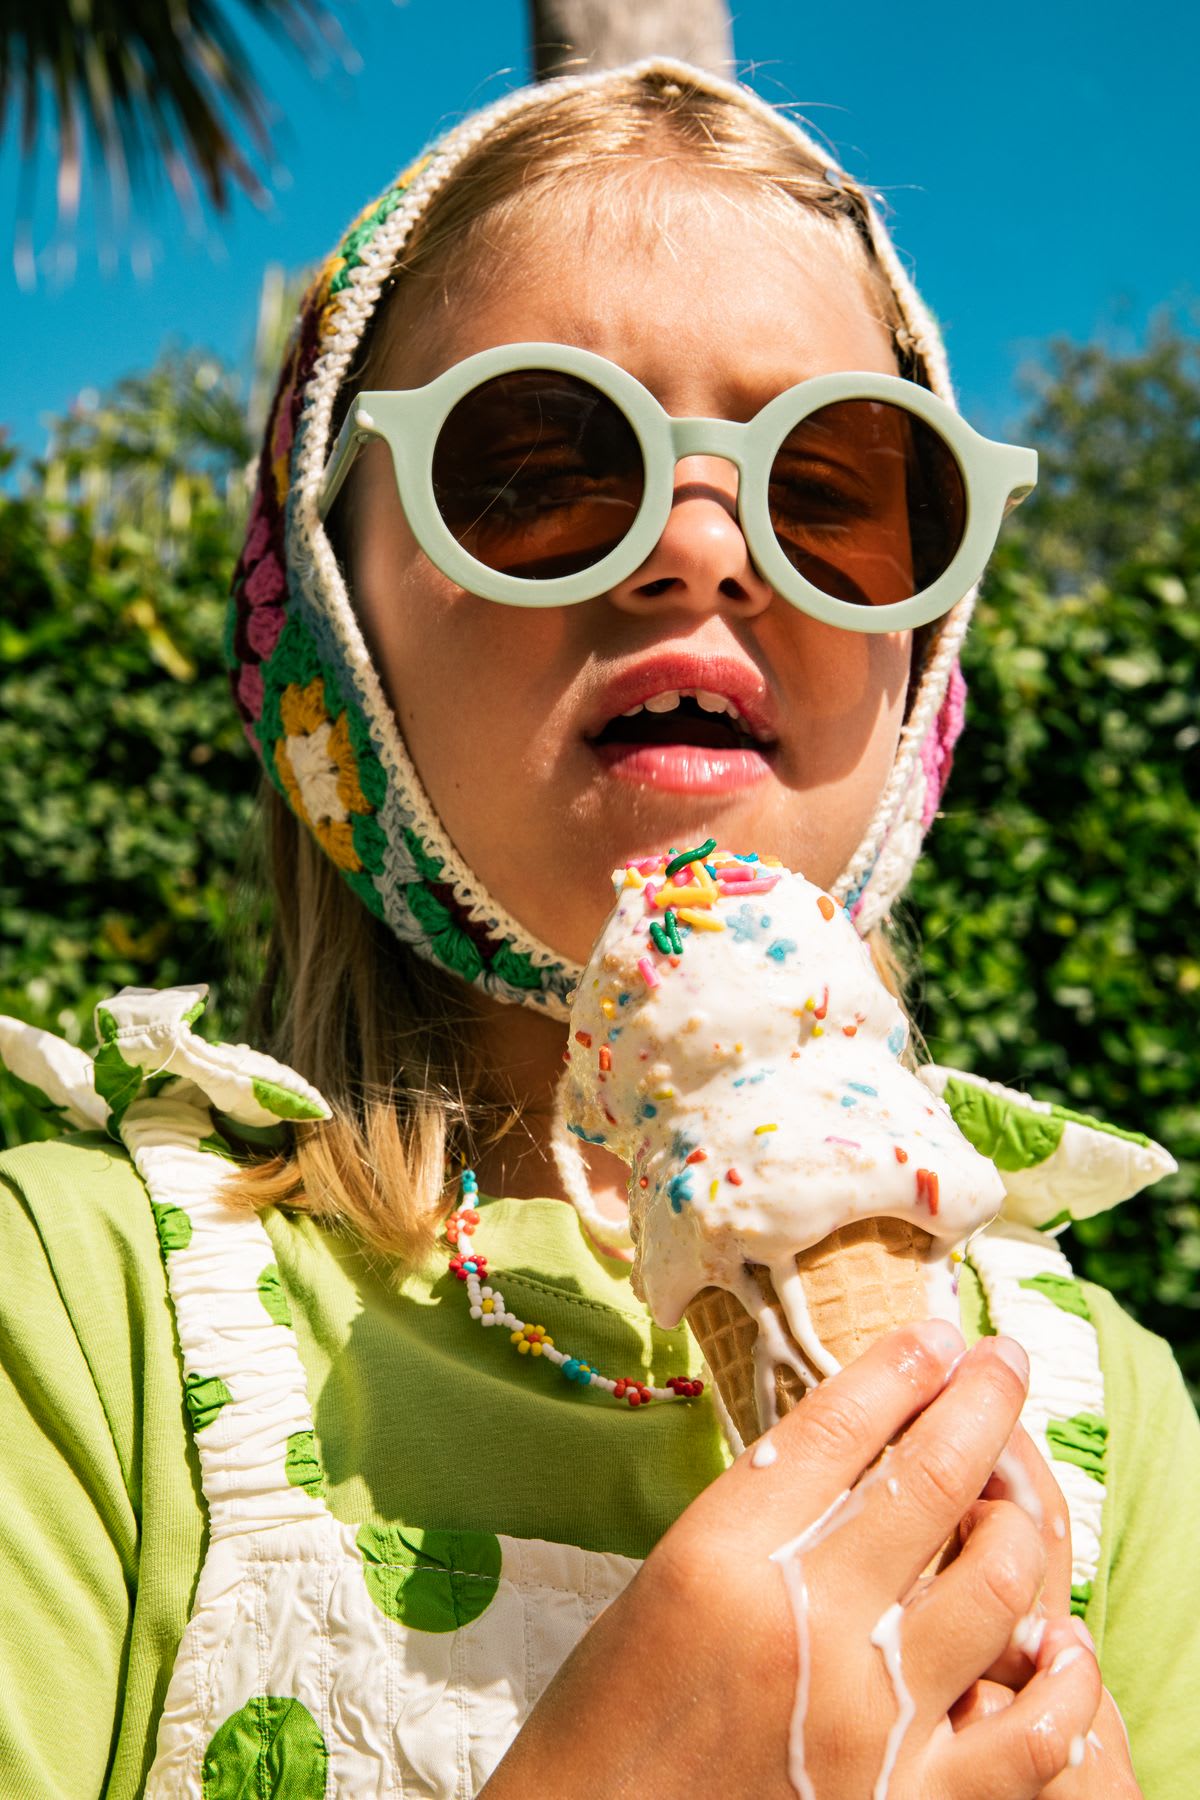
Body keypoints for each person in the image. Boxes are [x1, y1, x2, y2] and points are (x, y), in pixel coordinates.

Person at [0, 54, 1195, 1800]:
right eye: (545, 465)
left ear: (919, 668)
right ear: (336, 625)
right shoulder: (78, 1311)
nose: (703, 551)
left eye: (836, 489)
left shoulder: (1111, 1417)